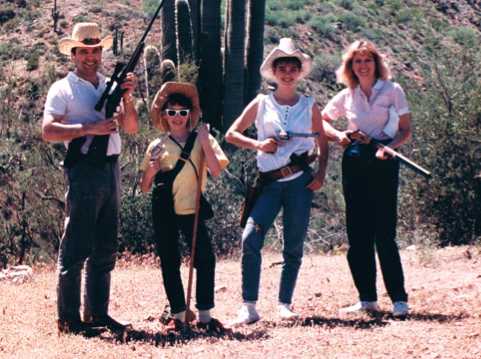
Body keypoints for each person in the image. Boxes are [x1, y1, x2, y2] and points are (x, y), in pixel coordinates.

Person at [42, 23, 139, 334]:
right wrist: (88, 129)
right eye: (84, 51)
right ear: (73, 54)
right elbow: (48, 131)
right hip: (84, 169)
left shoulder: (109, 87)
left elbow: (132, 127)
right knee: (77, 247)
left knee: (105, 247)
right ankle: (69, 318)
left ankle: (97, 313)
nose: (90, 56)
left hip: (111, 168)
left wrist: (128, 97)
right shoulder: (62, 89)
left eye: (95, 50)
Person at [226, 38, 329, 325]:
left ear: (299, 72)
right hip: (269, 184)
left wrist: (320, 173)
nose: (287, 73)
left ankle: (285, 303)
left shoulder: (310, 105)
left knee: (293, 245)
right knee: (250, 238)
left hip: (300, 183)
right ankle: (248, 306)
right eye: (281, 67)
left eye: (292, 68)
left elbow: (322, 141)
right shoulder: (261, 103)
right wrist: (259, 146)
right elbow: (232, 134)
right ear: (273, 71)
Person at [322, 40, 411, 317]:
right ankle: (367, 299)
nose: (362, 65)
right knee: (358, 232)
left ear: (376, 63)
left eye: (367, 60)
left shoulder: (392, 90)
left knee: (384, 233)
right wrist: (338, 135)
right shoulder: (347, 95)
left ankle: (399, 299)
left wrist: (389, 148)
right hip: (355, 160)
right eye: (357, 61)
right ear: (351, 66)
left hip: (383, 159)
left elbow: (405, 130)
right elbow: (321, 119)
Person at [139, 82, 231, 332]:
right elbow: (144, 186)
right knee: (169, 262)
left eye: (182, 112)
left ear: (190, 114)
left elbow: (215, 170)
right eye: (171, 112)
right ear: (164, 115)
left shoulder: (203, 139)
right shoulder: (156, 145)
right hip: (164, 210)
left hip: (193, 209)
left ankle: (205, 316)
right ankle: (178, 315)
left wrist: (204, 140)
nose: (177, 117)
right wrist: (151, 169)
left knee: (205, 259)